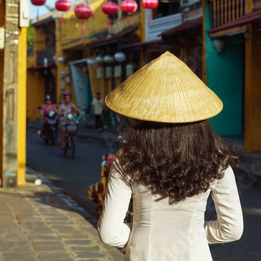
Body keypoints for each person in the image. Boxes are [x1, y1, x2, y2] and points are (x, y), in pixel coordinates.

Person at [98, 52, 243, 260]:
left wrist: (143, 237)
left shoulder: (127, 158)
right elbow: (232, 229)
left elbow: (109, 234)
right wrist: (193, 236)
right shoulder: (216, 159)